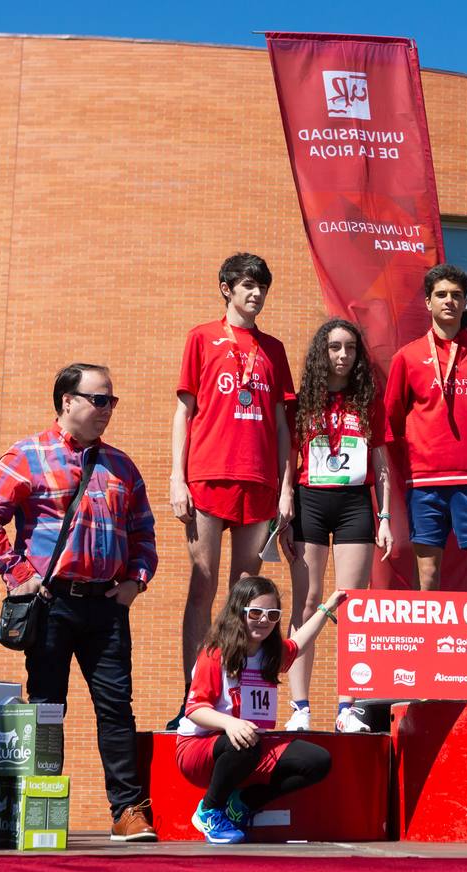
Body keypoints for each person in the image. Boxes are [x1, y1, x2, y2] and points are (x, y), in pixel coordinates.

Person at [0, 363, 159, 842]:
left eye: (112, 400)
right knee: (48, 707)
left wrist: (136, 581)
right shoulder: (27, 454)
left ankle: (128, 811)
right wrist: (18, 574)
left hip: (107, 607)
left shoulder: (121, 465)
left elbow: (144, 533)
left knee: (117, 710)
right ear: (67, 401)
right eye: (99, 399)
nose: (107, 409)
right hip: (51, 605)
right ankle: (39, 807)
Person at [170, 253, 296, 722]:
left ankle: (234, 694)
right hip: (207, 475)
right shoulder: (202, 337)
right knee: (201, 585)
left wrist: (286, 490)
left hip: (260, 481)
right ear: (226, 287)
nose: (255, 294)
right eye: (247, 285)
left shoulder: (274, 350)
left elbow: (284, 426)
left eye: (262, 286)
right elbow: (184, 411)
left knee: (244, 594)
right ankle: (193, 698)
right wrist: (176, 477)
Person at [283, 319, 393, 733]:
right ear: (321, 352)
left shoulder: (367, 401)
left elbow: (381, 465)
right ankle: (300, 708)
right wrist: (285, 500)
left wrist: (384, 517)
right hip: (310, 500)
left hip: (354, 505)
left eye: (349, 348)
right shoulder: (304, 402)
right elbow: (288, 458)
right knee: (307, 603)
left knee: (350, 607)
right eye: (334, 347)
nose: (342, 355)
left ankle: (348, 709)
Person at [177, 577, 344, 844]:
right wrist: (230, 724)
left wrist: (327, 608)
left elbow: (299, 643)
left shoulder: (270, 654)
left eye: (272, 615)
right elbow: (195, 709)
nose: (264, 621)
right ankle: (209, 810)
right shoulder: (215, 653)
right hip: (198, 748)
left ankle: (241, 804)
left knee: (317, 761)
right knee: (244, 740)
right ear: (238, 612)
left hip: (249, 744)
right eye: (255, 613)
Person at [385, 263, 467, 591]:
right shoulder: (408, 357)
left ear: (466, 302)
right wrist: (412, 462)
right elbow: (392, 421)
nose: (449, 301)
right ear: (428, 302)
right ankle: (429, 643)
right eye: (441, 295)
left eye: (456, 295)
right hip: (425, 479)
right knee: (427, 574)